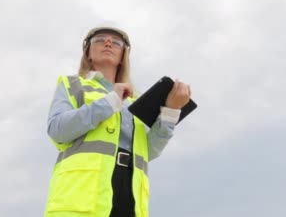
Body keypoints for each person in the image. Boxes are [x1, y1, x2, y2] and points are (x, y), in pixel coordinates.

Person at [44, 26, 192, 217]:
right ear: (87, 52)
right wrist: (111, 101)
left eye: (116, 42)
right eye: (100, 39)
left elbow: (149, 151)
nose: (108, 43)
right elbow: (57, 130)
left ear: (123, 55)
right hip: (80, 200)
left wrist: (171, 112)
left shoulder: (134, 100)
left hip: (130, 199)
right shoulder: (72, 85)